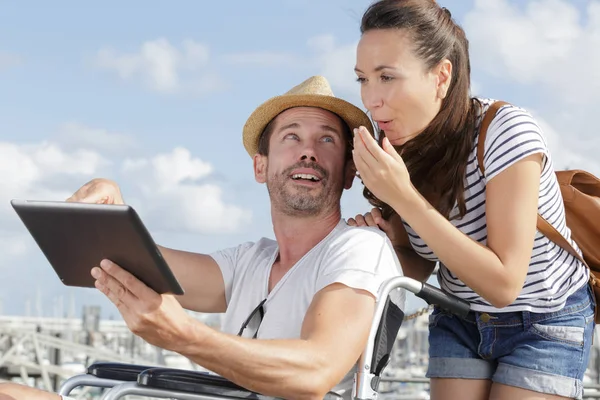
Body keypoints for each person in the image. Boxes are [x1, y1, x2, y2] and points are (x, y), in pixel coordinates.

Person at [0, 75, 405, 400]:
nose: (309, 152)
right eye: (291, 137)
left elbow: (315, 371)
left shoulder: (359, 248)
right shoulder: (251, 261)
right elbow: (140, 262)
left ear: (351, 172)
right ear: (260, 167)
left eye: (327, 140)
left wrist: (185, 336)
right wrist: (111, 204)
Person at [347, 1, 594, 400]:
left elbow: (504, 284)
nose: (372, 99)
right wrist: (387, 243)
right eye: (363, 79)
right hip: (459, 314)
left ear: (441, 76)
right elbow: (426, 259)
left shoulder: (505, 131)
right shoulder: (399, 150)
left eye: (387, 77)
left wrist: (404, 197)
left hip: (545, 318)